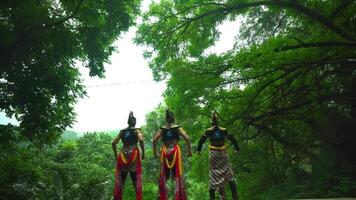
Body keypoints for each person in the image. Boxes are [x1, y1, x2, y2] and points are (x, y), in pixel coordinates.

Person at [197, 112, 240, 200]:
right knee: (229, 174)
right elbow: (232, 138)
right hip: (223, 154)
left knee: (213, 174)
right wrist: (237, 148)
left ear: (211, 121)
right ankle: (235, 197)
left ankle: (212, 197)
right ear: (218, 121)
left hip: (214, 155)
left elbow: (201, 140)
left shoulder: (209, 131)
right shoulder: (223, 130)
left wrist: (199, 150)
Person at [152, 109, 192, 200]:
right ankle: (179, 196)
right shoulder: (178, 128)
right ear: (173, 118)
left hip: (165, 153)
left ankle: (160, 196)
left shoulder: (162, 129)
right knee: (177, 176)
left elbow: (154, 140)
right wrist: (189, 151)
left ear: (166, 119)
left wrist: (155, 153)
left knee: (164, 177)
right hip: (175, 152)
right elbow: (187, 139)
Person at [112, 111, 145, 200]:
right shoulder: (136, 131)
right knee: (135, 179)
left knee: (121, 180)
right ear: (134, 122)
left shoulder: (122, 132)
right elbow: (141, 140)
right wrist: (143, 153)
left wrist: (116, 156)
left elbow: (113, 143)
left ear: (128, 122)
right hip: (133, 155)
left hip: (123, 155)